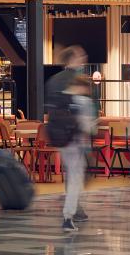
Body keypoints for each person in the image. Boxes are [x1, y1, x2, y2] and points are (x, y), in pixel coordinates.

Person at [45, 46, 90, 228]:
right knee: (75, 173)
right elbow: (82, 111)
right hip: (73, 134)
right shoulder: (76, 81)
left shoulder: (53, 80)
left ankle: (73, 209)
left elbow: (50, 108)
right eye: (81, 55)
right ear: (72, 58)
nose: (84, 58)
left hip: (58, 133)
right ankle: (70, 212)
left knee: (71, 171)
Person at [59, 77, 96, 232]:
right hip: (77, 146)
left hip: (64, 144)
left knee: (72, 178)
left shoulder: (63, 99)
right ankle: (68, 217)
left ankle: (69, 215)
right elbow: (89, 128)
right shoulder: (85, 103)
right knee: (75, 181)